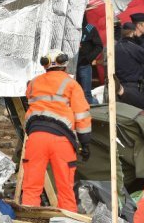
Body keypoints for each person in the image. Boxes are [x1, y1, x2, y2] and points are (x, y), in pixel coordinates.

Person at [22, 49, 92, 212]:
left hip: (36, 137)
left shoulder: (33, 83)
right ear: (65, 65)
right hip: (61, 140)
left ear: (45, 65)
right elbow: (82, 115)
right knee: (65, 189)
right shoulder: (71, 84)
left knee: (31, 187)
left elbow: (31, 102)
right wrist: (85, 143)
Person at [116, 22, 144, 95]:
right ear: (132, 33)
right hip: (134, 86)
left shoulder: (115, 48)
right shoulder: (135, 48)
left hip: (119, 86)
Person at [77, 17, 103, 104]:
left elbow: (99, 46)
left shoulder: (90, 28)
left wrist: (88, 58)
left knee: (86, 93)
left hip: (84, 66)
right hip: (71, 67)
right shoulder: (69, 28)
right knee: (73, 93)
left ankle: (92, 115)